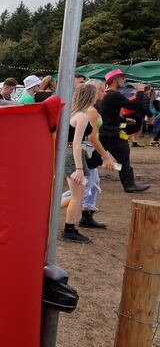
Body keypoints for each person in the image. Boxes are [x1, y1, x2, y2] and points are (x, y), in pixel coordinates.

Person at [59, 83, 115, 243]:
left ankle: (53, 215)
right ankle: (69, 229)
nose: (100, 95)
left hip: (72, 154)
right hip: (73, 156)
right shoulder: (82, 116)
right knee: (78, 196)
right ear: (91, 96)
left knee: (79, 194)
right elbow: (76, 143)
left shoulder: (73, 113)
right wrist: (79, 168)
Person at [98, 69, 150, 193]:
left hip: (104, 133)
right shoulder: (114, 95)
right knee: (123, 160)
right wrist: (140, 92)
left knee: (94, 159)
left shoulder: (105, 95)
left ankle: (74, 173)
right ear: (115, 80)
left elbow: (108, 114)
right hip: (112, 134)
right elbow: (133, 106)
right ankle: (129, 185)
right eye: (122, 78)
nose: (124, 80)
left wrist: (124, 120)